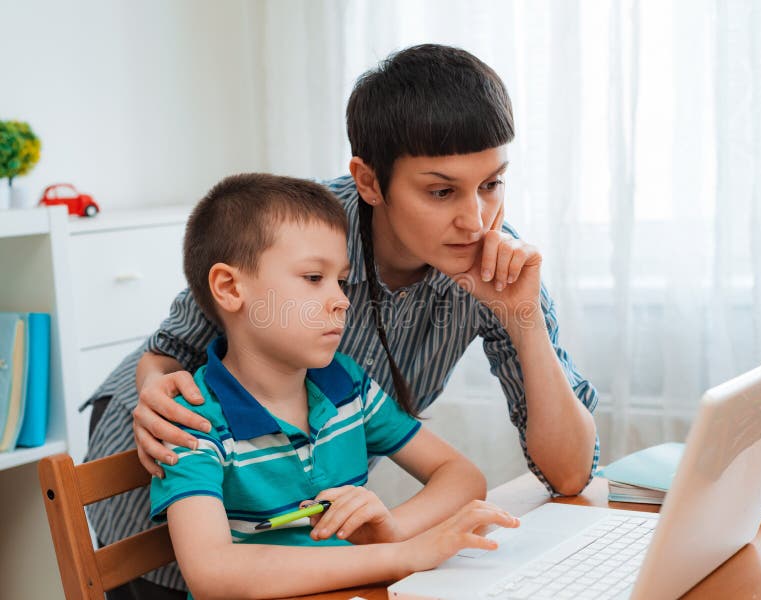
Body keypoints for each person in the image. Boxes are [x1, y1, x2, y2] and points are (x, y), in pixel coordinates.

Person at [86, 44, 599, 598]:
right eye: (440, 190)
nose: (476, 221)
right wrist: (154, 399)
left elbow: (570, 475)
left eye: (492, 184)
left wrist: (523, 321)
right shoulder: (301, 232)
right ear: (370, 181)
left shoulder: (504, 267)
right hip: (167, 454)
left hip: (288, 511)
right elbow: (169, 348)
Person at [148, 172, 519, 599]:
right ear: (230, 288)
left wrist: (393, 530)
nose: (341, 299)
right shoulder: (192, 422)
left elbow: (462, 477)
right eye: (312, 278)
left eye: (341, 280)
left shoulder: (345, 386)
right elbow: (213, 572)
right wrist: (404, 554)